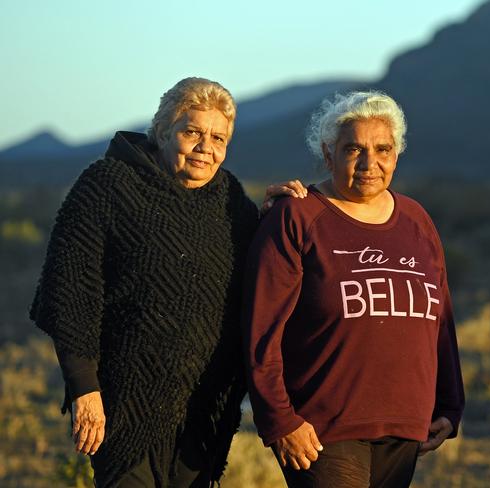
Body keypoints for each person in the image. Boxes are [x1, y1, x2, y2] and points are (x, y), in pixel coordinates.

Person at [30, 77, 307, 487]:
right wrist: (84, 388)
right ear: (162, 131)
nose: (205, 147)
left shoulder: (230, 199)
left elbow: (257, 274)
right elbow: (71, 290)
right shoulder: (108, 185)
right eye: (192, 131)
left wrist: (276, 219)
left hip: (205, 410)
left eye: (218, 138)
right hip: (124, 403)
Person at [242, 91, 465, 487]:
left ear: (396, 154)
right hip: (321, 431)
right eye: (353, 149)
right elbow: (261, 331)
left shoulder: (416, 220)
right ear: (328, 155)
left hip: (404, 425)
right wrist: (279, 420)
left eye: (383, 149)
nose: (369, 163)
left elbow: (439, 320)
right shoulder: (297, 216)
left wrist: (450, 403)